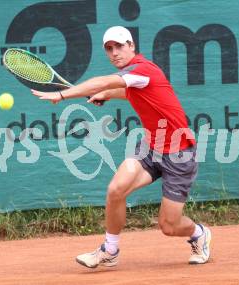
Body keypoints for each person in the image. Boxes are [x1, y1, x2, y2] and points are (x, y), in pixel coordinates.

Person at [31, 26, 211, 268]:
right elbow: (130, 92)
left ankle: (199, 234)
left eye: (119, 46)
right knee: (116, 190)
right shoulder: (136, 77)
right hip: (150, 146)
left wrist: (64, 95)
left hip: (179, 154)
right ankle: (110, 249)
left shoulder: (143, 69)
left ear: (132, 46)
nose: (115, 52)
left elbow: (104, 81)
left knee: (169, 227)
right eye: (109, 49)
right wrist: (107, 94)